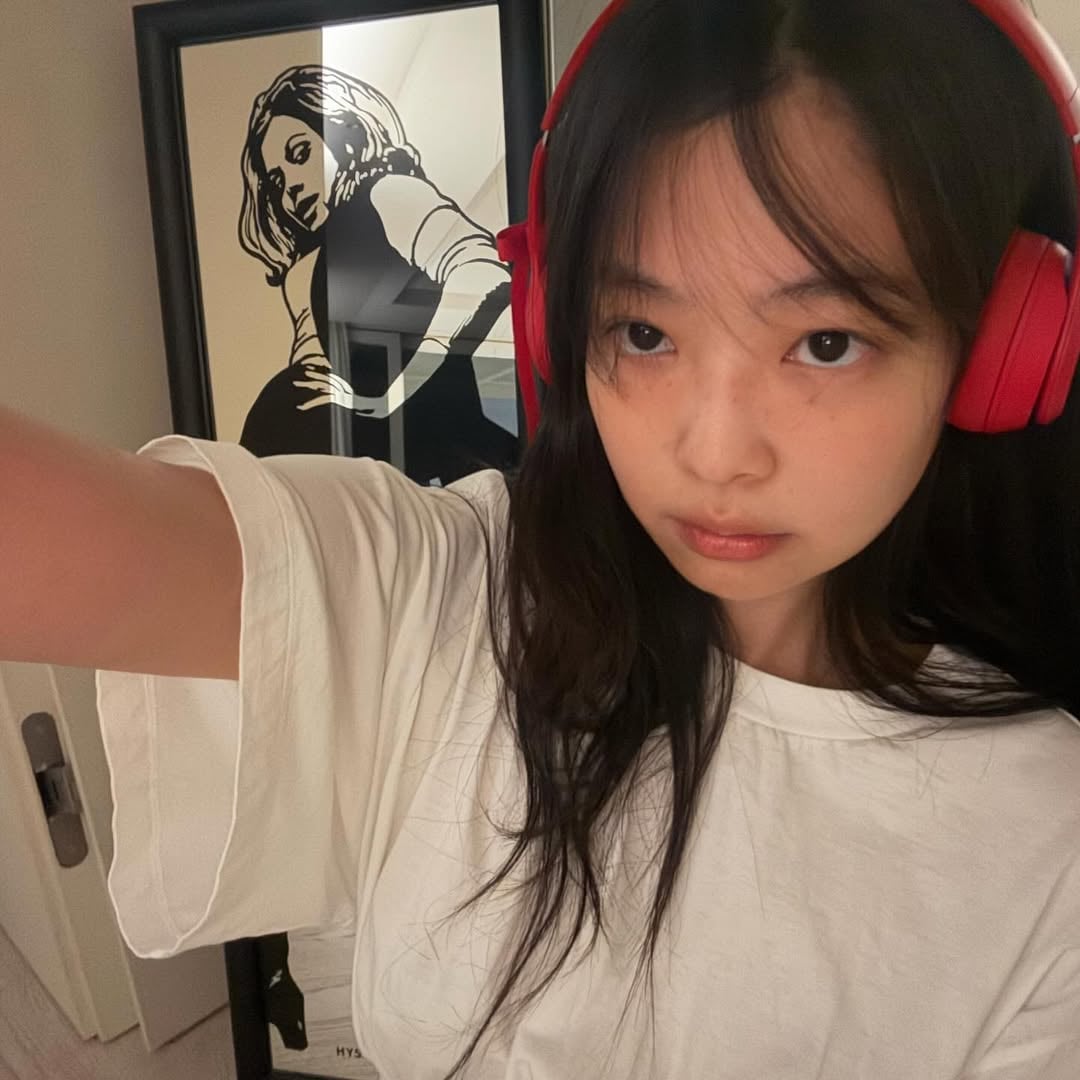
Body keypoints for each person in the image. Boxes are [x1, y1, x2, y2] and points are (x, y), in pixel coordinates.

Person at [4, 1, 1080, 1077]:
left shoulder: (1046, 845)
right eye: (644, 333)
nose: (714, 455)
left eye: (827, 342)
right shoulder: (449, 596)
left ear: (1002, 353)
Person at [237, 64, 519, 482]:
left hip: (446, 458)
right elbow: (312, 381)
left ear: (346, 136)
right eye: (275, 181)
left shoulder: (389, 194)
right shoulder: (304, 273)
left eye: (300, 154)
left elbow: (482, 273)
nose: (290, 188)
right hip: (362, 477)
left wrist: (392, 396)